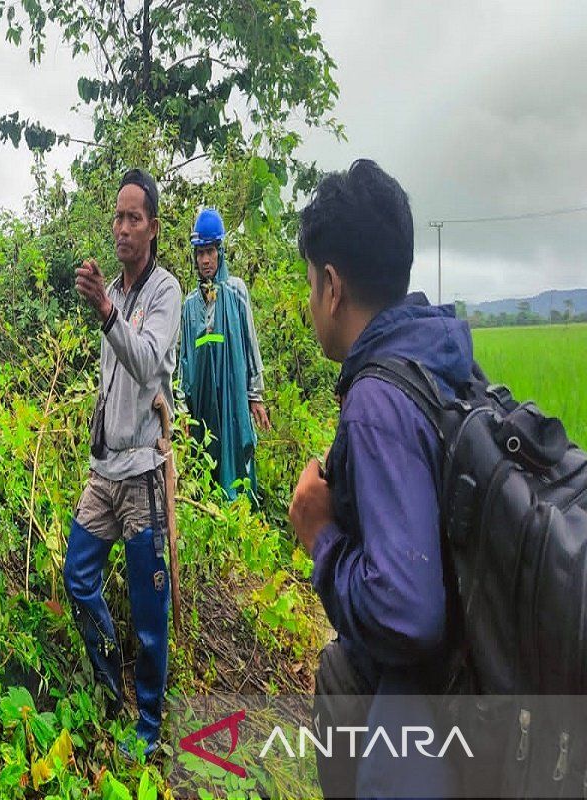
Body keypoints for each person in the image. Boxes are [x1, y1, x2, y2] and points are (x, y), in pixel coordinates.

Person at [289, 159, 470, 797]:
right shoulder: (437, 354)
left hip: (416, 733)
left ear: (332, 286)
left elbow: (406, 614)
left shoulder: (376, 402)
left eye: (311, 282)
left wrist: (320, 537)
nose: (310, 299)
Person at [64, 168, 182, 758]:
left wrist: (108, 311)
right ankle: (112, 689)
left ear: (153, 228)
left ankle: (150, 726)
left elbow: (148, 363)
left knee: (148, 608)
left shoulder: (165, 292)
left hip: (142, 479)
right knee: (77, 577)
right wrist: (106, 302)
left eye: (134, 218)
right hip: (103, 471)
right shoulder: (115, 288)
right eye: (117, 216)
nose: (122, 228)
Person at [178, 208, 269, 501]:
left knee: (238, 460)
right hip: (203, 401)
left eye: (211, 252)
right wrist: (182, 410)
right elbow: (184, 362)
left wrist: (255, 395)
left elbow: (250, 345)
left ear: (220, 253)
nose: (206, 260)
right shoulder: (189, 304)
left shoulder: (236, 291)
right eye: (200, 253)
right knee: (206, 464)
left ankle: (243, 525)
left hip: (233, 396)